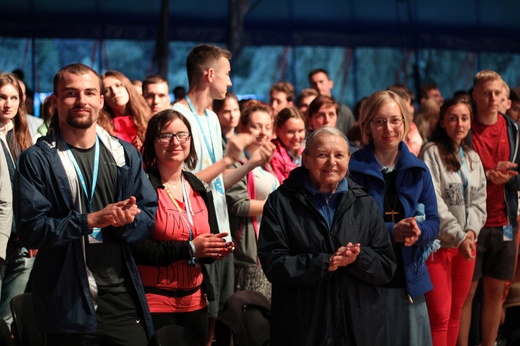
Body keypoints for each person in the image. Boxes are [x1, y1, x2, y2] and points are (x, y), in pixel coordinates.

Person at [14, 63, 158, 345]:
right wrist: (90, 221)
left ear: (101, 100)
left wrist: (130, 221)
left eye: (90, 93)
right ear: (55, 101)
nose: (82, 101)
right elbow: (31, 230)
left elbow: (148, 215)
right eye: (71, 93)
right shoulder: (37, 160)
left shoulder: (123, 154)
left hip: (122, 299)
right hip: (68, 303)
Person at [172, 44, 274, 346]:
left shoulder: (212, 119)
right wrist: (229, 159)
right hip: (195, 230)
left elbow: (218, 183)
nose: (230, 83)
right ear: (210, 74)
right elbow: (185, 185)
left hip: (221, 228)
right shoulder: (177, 116)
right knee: (202, 317)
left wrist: (250, 164)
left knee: (219, 317)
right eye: (227, 75)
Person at [258, 126, 396, 345]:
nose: (332, 162)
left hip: (358, 327)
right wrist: (324, 263)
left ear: (349, 159)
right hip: (303, 326)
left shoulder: (364, 203)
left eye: (339, 155)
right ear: (306, 158)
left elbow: (386, 267)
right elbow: (274, 263)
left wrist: (358, 259)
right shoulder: (281, 202)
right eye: (323, 155)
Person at [132, 109, 233, 346]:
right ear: (152, 143)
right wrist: (189, 248)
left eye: (182, 135)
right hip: (155, 302)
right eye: (166, 136)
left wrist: (214, 249)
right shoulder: (143, 187)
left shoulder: (198, 186)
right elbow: (137, 248)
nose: (175, 142)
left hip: (196, 301)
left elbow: (204, 248)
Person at [349, 90, 440, 346]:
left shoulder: (418, 169)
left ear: (405, 122)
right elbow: (348, 227)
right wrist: (392, 231)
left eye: (394, 120)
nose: (388, 128)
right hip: (366, 281)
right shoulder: (352, 170)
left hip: (408, 279)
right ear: (367, 126)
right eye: (379, 121)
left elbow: (434, 221)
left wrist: (418, 232)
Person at [458, 70, 520, 346]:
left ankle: (489, 343)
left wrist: (511, 177)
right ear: (475, 95)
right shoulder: (463, 130)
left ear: (504, 97)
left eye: (497, 93)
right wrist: (485, 174)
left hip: (505, 222)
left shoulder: (514, 131)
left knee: (496, 292)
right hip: (471, 225)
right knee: (466, 294)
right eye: (486, 92)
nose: (492, 98)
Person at [419, 97, 487, 346]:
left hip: (466, 245)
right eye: (453, 118)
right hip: (439, 245)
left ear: (470, 123)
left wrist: (470, 233)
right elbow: (432, 200)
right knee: (439, 315)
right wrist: (459, 236)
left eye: (465, 118)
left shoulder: (472, 157)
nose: (459, 123)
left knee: (456, 311)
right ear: (442, 122)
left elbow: (480, 200)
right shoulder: (431, 152)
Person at [226, 100, 278, 301]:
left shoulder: (267, 162)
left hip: (267, 248)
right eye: (256, 126)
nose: (263, 132)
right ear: (243, 128)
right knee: (251, 315)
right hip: (248, 252)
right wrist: (278, 206)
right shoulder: (238, 161)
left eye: (267, 127)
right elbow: (238, 204)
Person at [0, 73, 34, 328]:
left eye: (14, 98)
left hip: (22, 240)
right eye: (2, 97)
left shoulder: (22, 136)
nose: (8, 104)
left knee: (11, 319)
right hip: (1, 237)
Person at [100, 70, 152, 150]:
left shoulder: (148, 117)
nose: (114, 92)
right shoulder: (102, 128)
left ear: (127, 87)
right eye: (107, 90)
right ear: (102, 97)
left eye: (118, 85)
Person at [308, 68, 355, 135]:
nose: (318, 86)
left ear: (330, 83)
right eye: (314, 83)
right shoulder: (309, 109)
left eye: (321, 82)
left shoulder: (345, 111)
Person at [270, 106, 306, 183]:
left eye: (300, 131)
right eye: (290, 132)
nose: (296, 137)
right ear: (277, 131)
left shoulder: (306, 153)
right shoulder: (273, 156)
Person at [387, 83, 423, 156]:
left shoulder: (412, 127)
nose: (411, 109)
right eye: (408, 104)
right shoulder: (390, 129)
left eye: (411, 104)